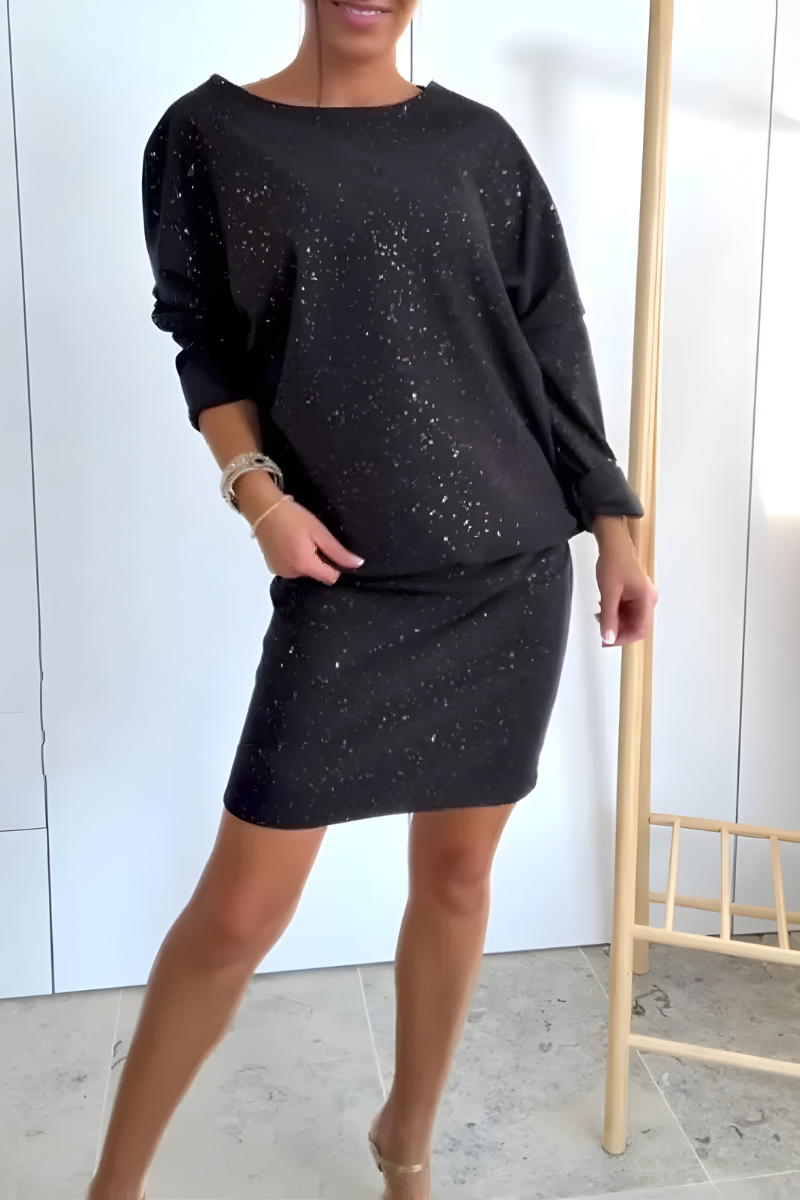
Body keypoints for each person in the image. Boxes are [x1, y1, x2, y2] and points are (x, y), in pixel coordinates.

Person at [87, 2, 657, 1198]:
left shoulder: (477, 142)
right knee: (237, 918)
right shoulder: (207, 136)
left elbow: (550, 336)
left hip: (505, 570)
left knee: (455, 879)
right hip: (343, 574)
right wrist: (259, 498)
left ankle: (405, 1140)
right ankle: (112, 1188)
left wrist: (613, 528)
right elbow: (202, 339)